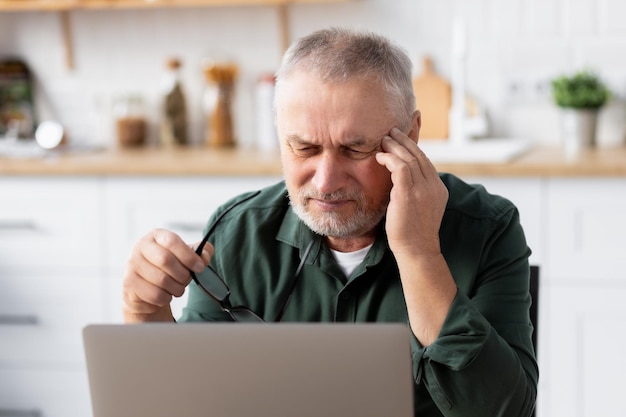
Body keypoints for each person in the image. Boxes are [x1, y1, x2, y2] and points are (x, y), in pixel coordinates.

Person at [123, 27, 538, 417]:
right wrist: (145, 312)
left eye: (355, 149)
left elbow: (506, 411)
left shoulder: (488, 227)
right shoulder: (236, 231)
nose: (325, 182)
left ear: (410, 136)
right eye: (304, 148)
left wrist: (419, 254)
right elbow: (191, 402)